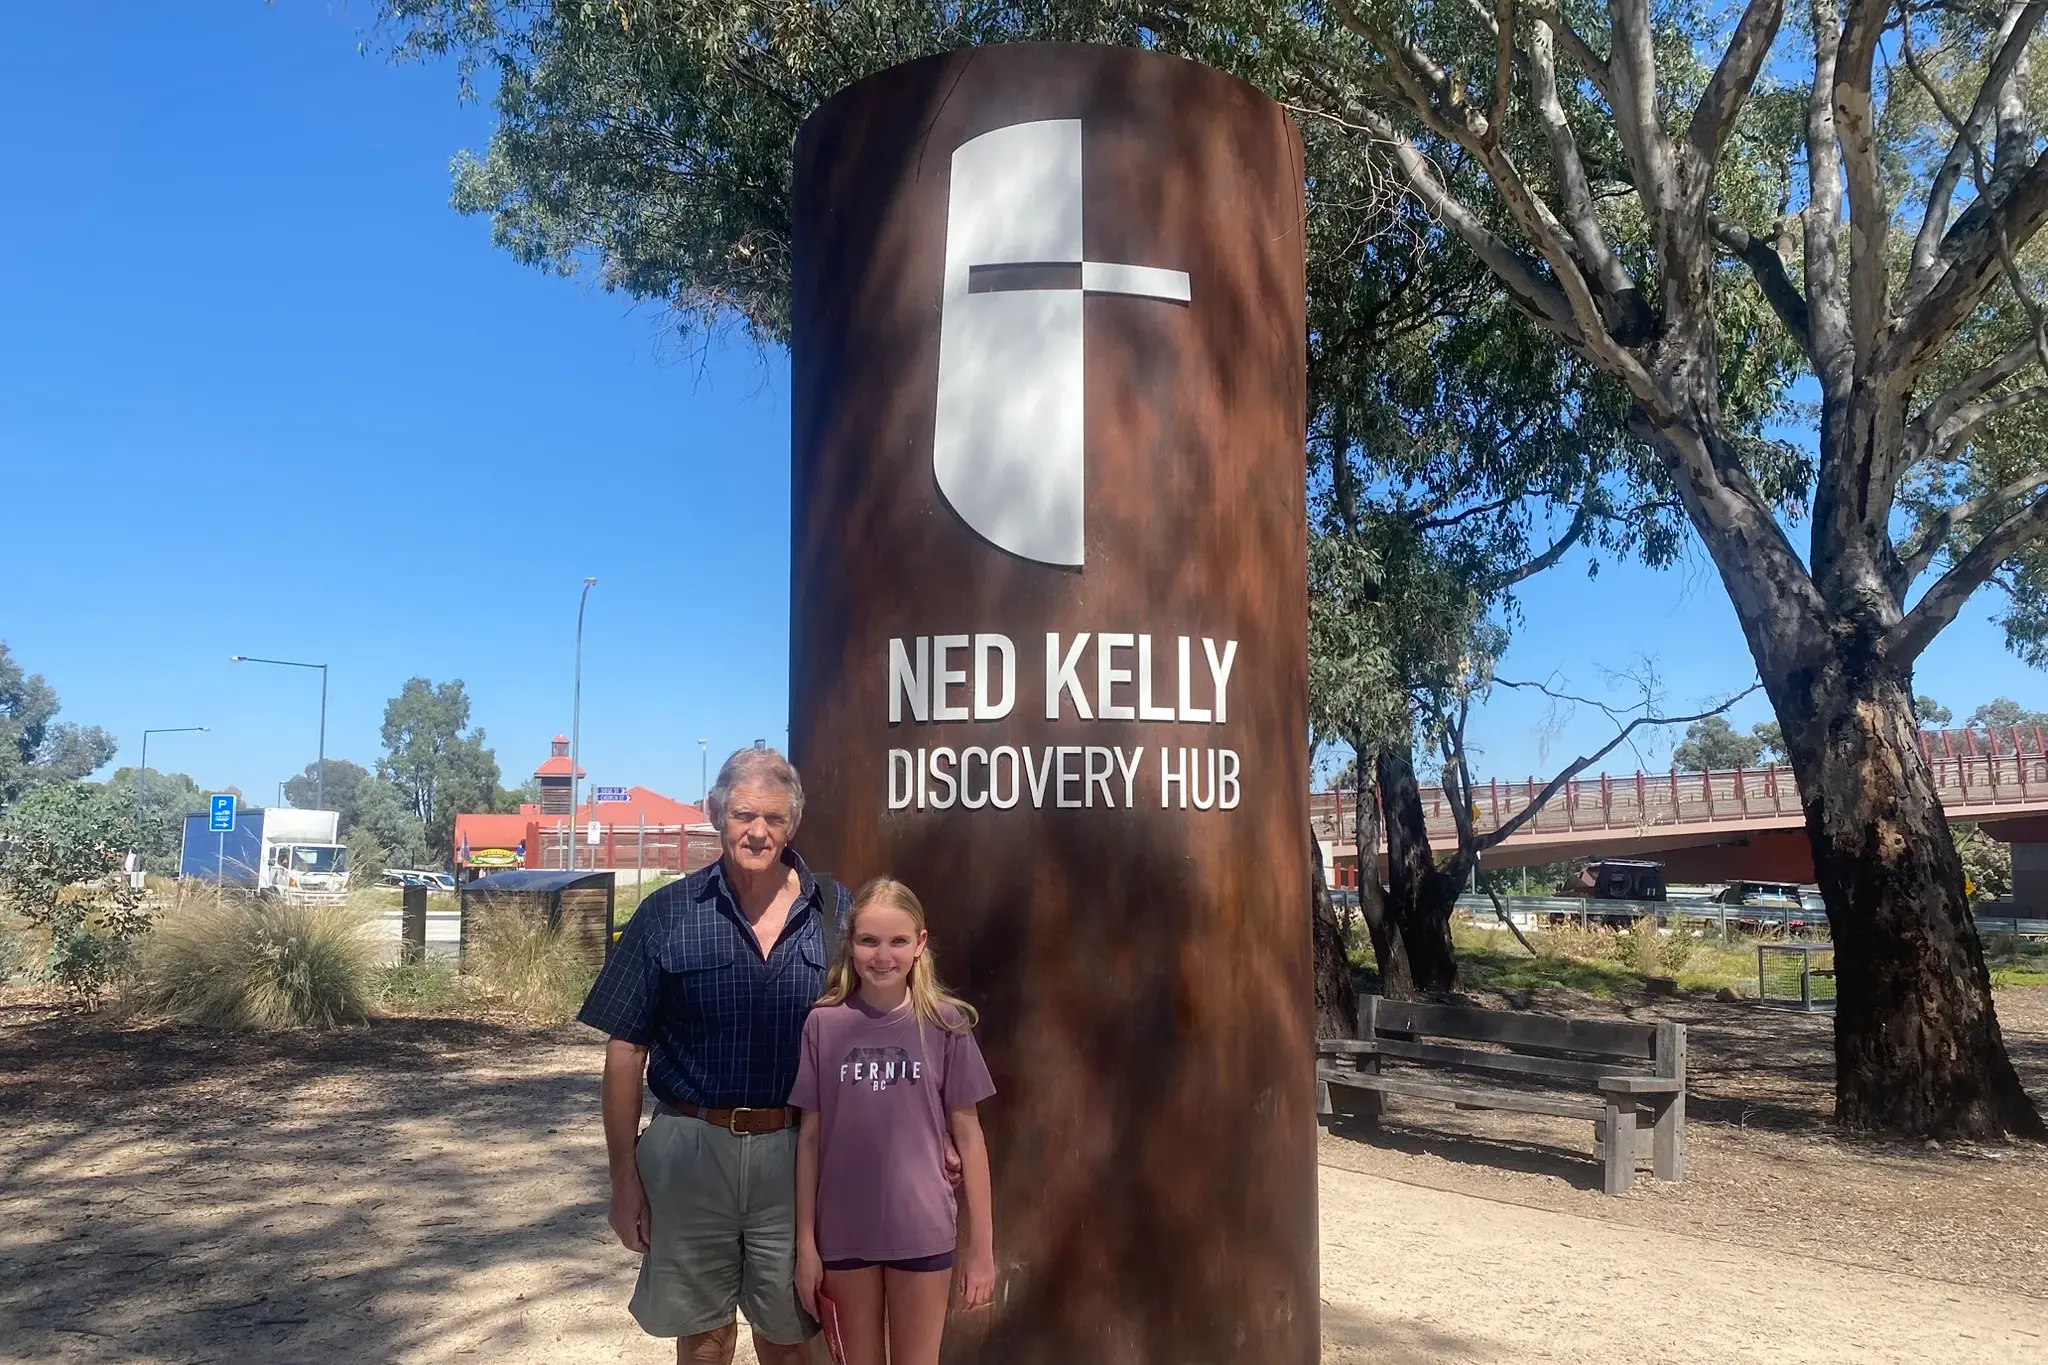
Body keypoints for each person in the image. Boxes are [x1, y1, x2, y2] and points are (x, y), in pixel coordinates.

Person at [577, 747, 848, 1365]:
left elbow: (878, 1027)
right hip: (690, 1148)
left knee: (792, 1332)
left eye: (774, 818)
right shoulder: (666, 915)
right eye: (743, 814)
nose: (758, 831)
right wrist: (624, 1182)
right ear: (714, 813)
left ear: (794, 823)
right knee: (703, 1336)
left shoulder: (834, 913)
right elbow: (625, 1053)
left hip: (796, 1150)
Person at [791, 878, 996, 1365]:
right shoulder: (824, 1024)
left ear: (920, 944)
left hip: (921, 1229)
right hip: (842, 1233)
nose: (883, 955)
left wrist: (982, 1249)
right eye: (869, 941)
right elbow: (809, 1139)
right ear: (850, 943)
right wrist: (805, 1243)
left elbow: (970, 1138)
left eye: (898, 941)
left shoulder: (947, 1024)